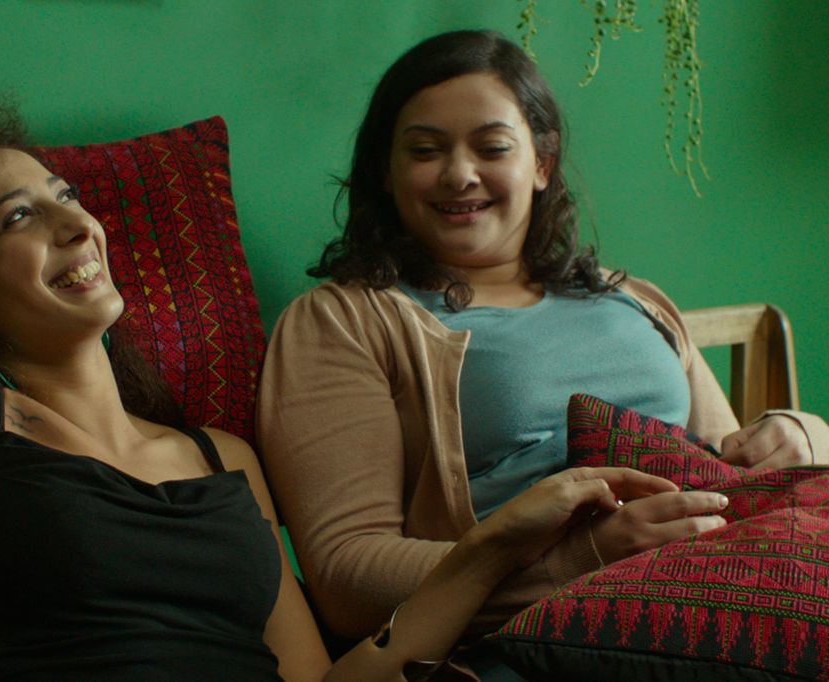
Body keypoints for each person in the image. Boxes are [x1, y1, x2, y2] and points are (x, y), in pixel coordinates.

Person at [0, 93, 714, 681]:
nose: (76, 223)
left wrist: (497, 541)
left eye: (65, 194)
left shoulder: (220, 456)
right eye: (18, 217)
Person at [256, 28, 829, 671]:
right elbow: (347, 580)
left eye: (492, 147)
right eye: (425, 150)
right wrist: (580, 561)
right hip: (552, 642)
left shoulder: (633, 299)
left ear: (542, 164)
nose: (459, 174)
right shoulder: (343, 321)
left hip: (733, 587)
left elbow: (734, 468)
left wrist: (802, 433)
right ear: (386, 173)